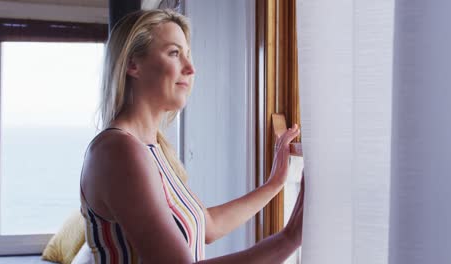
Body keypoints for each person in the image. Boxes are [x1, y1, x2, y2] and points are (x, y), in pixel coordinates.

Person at [79, 9, 304, 263]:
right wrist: (288, 238)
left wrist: (275, 183)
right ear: (133, 64)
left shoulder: (153, 149)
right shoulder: (118, 151)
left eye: (188, 54)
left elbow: (208, 225)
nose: (191, 68)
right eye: (175, 53)